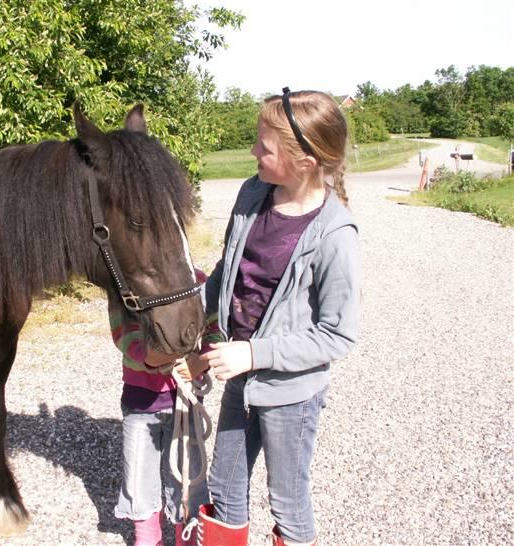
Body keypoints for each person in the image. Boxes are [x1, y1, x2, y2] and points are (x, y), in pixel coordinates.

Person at [192, 88, 361, 546]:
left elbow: (338, 335)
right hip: (240, 379)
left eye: (263, 147)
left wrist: (253, 353)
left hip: (290, 393)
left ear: (304, 160)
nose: (252, 152)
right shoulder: (252, 192)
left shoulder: (335, 233)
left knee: (287, 499)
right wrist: (200, 340)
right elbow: (229, 271)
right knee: (224, 486)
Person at [110, 268, 224, 546]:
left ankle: (186, 535)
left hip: (184, 404)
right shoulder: (125, 287)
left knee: (187, 477)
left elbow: (215, 328)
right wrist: (155, 357)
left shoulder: (197, 282)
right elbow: (123, 335)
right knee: (138, 475)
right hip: (140, 403)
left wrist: (202, 360)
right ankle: (147, 538)